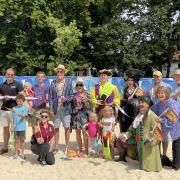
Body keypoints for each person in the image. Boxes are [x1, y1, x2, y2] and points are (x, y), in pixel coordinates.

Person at [116, 96, 162, 172]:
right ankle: (125, 156)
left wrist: (151, 137)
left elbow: (158, 132)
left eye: (142, 102)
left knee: (148, 164)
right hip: (139, 141)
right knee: (120, 141)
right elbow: (131, 129)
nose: (140, 104)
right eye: (139, 102)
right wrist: (125, 135)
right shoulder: (138, 116)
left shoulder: (153, 116)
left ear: (148, 105)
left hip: (148, 143)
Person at [153, 86, 180, 170]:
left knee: (176, 146)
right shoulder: (158, 103)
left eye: (162, 93)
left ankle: (176, 165)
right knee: (163, 140)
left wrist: (162, 121)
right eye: (159, 93)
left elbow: (174, 118)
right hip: (165, 127)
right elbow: (154, 112)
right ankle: (164, 158)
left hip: (175, 126)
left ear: (166, 94)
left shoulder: (172, 103)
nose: (160, 95)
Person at [49, 64, 73, 154]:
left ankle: (67, 146)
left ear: (64, 73)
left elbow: (72, 96)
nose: (59, 73)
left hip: (66, 108)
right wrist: (51, 109)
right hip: (56, 108)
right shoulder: (52, 83)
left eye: (61, 71)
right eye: (58, 71)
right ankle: (56, 146)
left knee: (67, 127)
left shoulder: (69, 82)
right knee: (56, 128)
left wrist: (66, 99)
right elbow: (50, 97)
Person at [0, 68, 23, 154]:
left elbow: (22, 98)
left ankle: (17, 148)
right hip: (4, 110)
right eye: (8, 74)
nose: (10, 76)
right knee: (5, 129)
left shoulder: (18, 84)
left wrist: (12, 98)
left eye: (11, 74)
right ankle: (5, 148)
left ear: (14, 75)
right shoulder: (1, 85)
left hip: (15, 110)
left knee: (15, 129)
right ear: (5, 74)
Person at [70, 78, 91, 155]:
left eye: (80, 85)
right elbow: (71, 106)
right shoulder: (73, 95)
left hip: (84, 116)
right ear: (76, 87)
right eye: (77, 85)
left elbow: (89, 107)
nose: (79, 86)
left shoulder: (87, 94)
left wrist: (85, 101)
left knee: (85, 133)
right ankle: (80, 149)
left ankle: (86, 150)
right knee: (77, 133)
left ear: (83, 86)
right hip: (75, 116)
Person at [119, 68, 144, 133]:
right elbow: (121, 102)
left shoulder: (139, 90)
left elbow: (143, 103)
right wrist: (127, 100)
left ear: (135, 81)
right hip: (125, 115)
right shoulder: (125, 89)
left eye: (132, 80)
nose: (130, 82)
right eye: (128, 80)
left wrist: (138, 98)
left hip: (135, 114)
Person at [10, 94, 28, 159]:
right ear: (16, 101)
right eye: (17, 101)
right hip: (15, 128)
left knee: (22, 141)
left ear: (23, 101)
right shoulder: (13, 108)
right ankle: (16, 154)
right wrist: (11, 126)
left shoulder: (25, 108)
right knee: (16, 141)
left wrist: (22, 116)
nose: (19, 103)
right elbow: (11, 118)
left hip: (22, 128)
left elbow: (25, 116)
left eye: (20, 101)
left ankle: (22, 154)